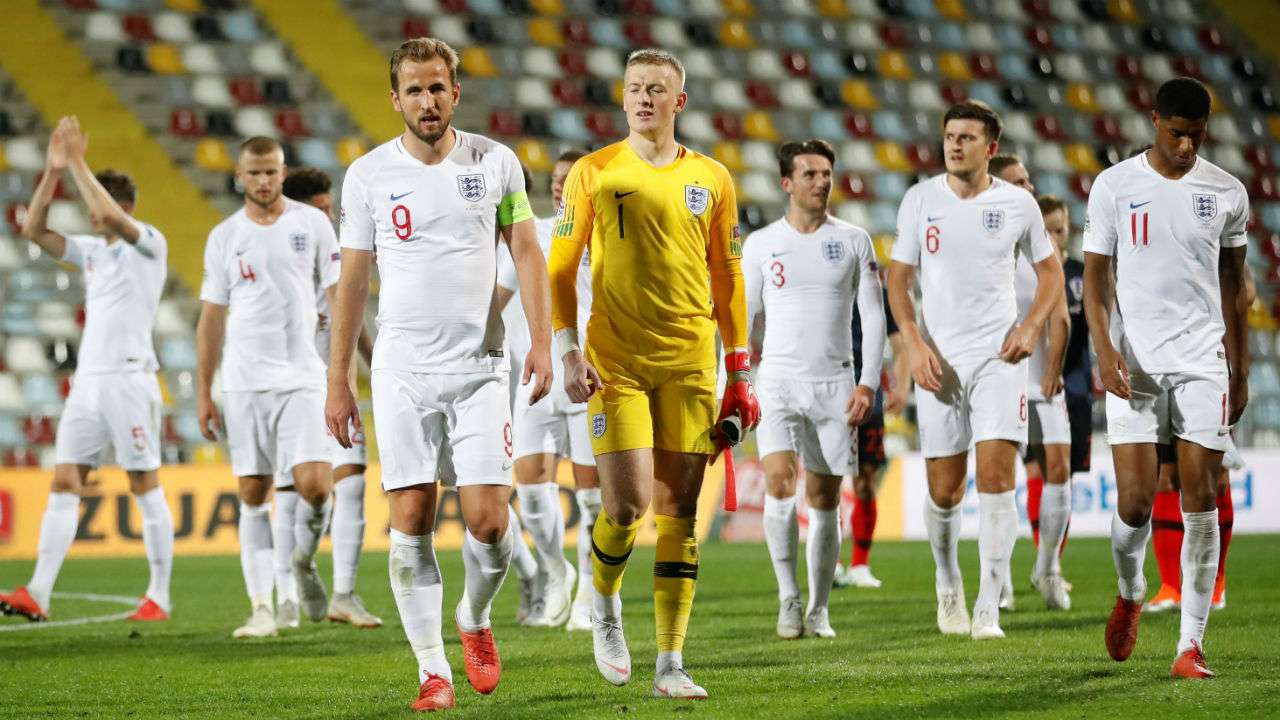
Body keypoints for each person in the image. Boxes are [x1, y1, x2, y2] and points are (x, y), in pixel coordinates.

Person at [323, 37, 553, 711]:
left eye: (438, 88)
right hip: (401, 367)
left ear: (456, 92)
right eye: (415, 90)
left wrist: (542, 341)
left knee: (487, 522)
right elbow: (353, 281)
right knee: (412, 515)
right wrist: (338, 378)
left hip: (482, 366)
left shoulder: (496, 162)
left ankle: (474, 621)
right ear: (395, 99)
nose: (428, 100)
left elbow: (529, 254)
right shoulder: (367, 175)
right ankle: (433, 672)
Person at [548, 48, 757, 699]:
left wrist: (739, 371)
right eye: (635, 88)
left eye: (657, 88)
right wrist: (566, 349)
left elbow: (728, 277)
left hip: (691, 364)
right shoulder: (594, 171)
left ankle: (671, 662)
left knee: (679, 514)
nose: (644, 97)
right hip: (617, 362)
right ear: (624, 98)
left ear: (679, 101)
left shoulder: (714, 178)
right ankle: (603, 599)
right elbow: (559, 266)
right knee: (627, 505)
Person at [1083, 77, 1249, 679]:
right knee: (1133, 503)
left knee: (1201, 497)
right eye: (1177, 133)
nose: (1186, 146)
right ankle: (1130, 590)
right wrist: (1104, 350)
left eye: (1196, 136)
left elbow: (1235, 286)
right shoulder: (1115, 185)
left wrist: (1242, 364)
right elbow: (1095, 281)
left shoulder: (1227, 192)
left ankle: (1189, 646)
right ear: (1154, 121)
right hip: (1136, 362)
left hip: (1204, 360)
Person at [887, 100, 1063, 640]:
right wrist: (914, 345)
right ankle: (948, 583)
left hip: (999, 359)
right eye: (949, 136)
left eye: (966, 137)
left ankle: (988, 602)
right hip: (939, 361)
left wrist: (1030, 329)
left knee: (996, 479)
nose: (954, 144)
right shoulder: (920, 200)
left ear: (990, 147)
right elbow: (897, 281)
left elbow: (1051, 275)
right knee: (945, 491)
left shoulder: (1017, 205)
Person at [0, 117, 172, 623]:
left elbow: (110, 217)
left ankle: (159, 595)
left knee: (144, 480)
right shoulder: (94, 252)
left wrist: (77, 159)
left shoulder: (150, 243)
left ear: (125, 208)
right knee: (65, 480)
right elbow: (32, 229)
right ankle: (38, 592)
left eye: (102, 208)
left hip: (129, 377)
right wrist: (54, 172)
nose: (93, 217)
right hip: (89, 383)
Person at [196, 136, 338, 640]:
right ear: (239, 176)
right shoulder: (224, 237)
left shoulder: (312, 224)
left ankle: (301, 562)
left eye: (271, 172)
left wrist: (340, 371)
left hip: (301, 375)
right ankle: (260, 606)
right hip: (243, 382)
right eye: (254, 173)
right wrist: (203, 391)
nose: (263, 181)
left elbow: (339, 294)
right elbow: (211, 319)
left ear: (282, 173)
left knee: (317, 486)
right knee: (254, 493)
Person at [743, 139, 884, 639]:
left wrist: (868, 382)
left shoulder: (854, 240)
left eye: (827, 173)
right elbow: (744, 316)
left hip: (835, 384)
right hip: (777, 381)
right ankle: (788, 598)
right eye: (810, 174)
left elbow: (872, 313)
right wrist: (739, 380)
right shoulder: (760, 244)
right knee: (780, 485)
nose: (822, 182)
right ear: (787, 183)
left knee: (825, 500)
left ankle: (819, 609)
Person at [495, 151, 601, 631]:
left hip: (590, 381)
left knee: (592, 500)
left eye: (570, 180)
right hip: (535, 379)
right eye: (557, 180)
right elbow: (497, 297)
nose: (560, 187)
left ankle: (588, 598)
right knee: (532, 489)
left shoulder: (609, 241)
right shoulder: (532, 234)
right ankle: (557, 570)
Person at [278, 168, 381, 629]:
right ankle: (298, 565)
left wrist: (378, 364)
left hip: (339, 389)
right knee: (305, 497)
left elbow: (353, 317)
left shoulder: (340, 258)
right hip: (295, 392)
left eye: (329, 209)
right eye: (318, 211)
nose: (327, 218)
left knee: (353, 485)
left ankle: (344, 593)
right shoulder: (279, 260)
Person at [833, 281, 910, 590]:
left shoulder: (878, 290)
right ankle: (832, 563)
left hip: (870, 393)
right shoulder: (826, 282)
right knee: (829, 482)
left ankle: (860, 564)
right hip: (831, 389)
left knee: (865, 481)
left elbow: (900, 344)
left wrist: (902, 387)